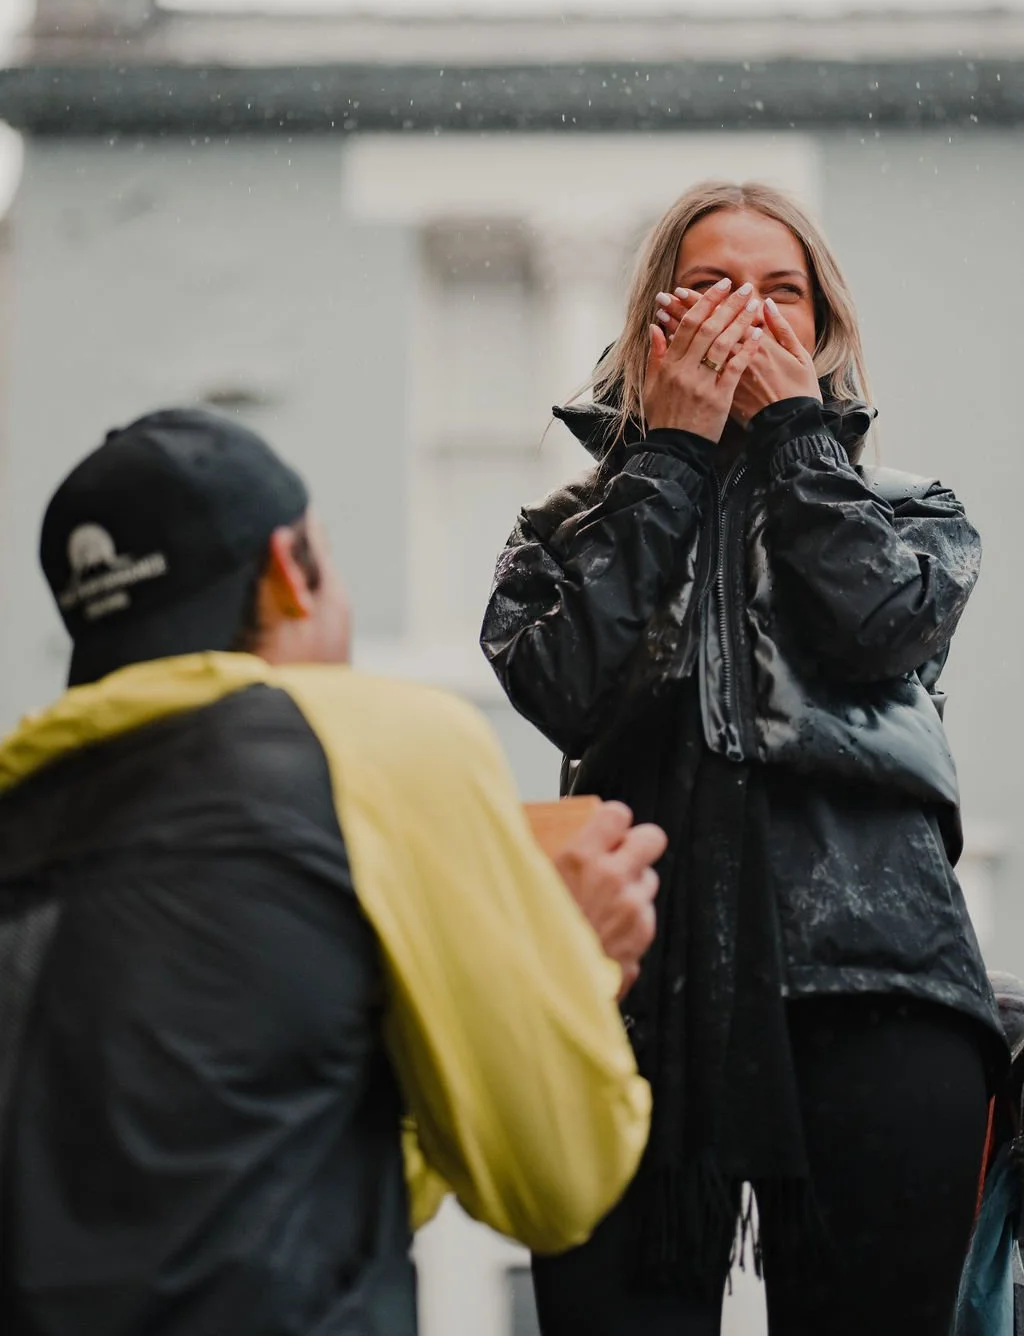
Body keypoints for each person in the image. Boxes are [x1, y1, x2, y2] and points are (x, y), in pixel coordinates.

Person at [0, 407, 666, 1336]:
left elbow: (266, 1165)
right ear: (290, 570)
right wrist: (570, 963)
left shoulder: (22, 805)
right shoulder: (375, 738)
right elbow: (555, 1180)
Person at [481, 180, 1007, 1336]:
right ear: (652, 325)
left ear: (820, 337)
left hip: (878, 986)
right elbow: (567, 685)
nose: (746, 316)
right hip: (633, 1001)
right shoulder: (562, 534)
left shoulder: (912, 513)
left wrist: (790, 437)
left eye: (780, 293)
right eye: (710, 286)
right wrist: (668, 454)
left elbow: (873, 629)